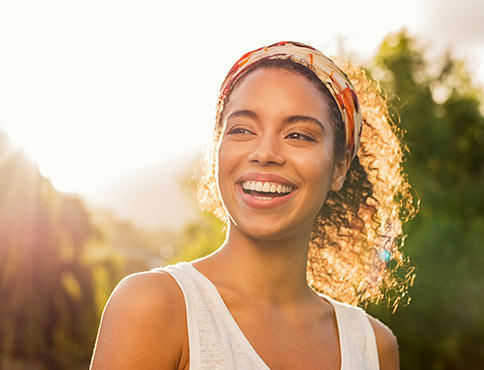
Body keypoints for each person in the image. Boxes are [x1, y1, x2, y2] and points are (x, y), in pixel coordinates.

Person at [90, 41, 416, 370]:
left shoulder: (374, 347)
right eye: (242, 129)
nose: (265, 153)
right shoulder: (154, 306)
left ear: (340, 167)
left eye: (298, 135)